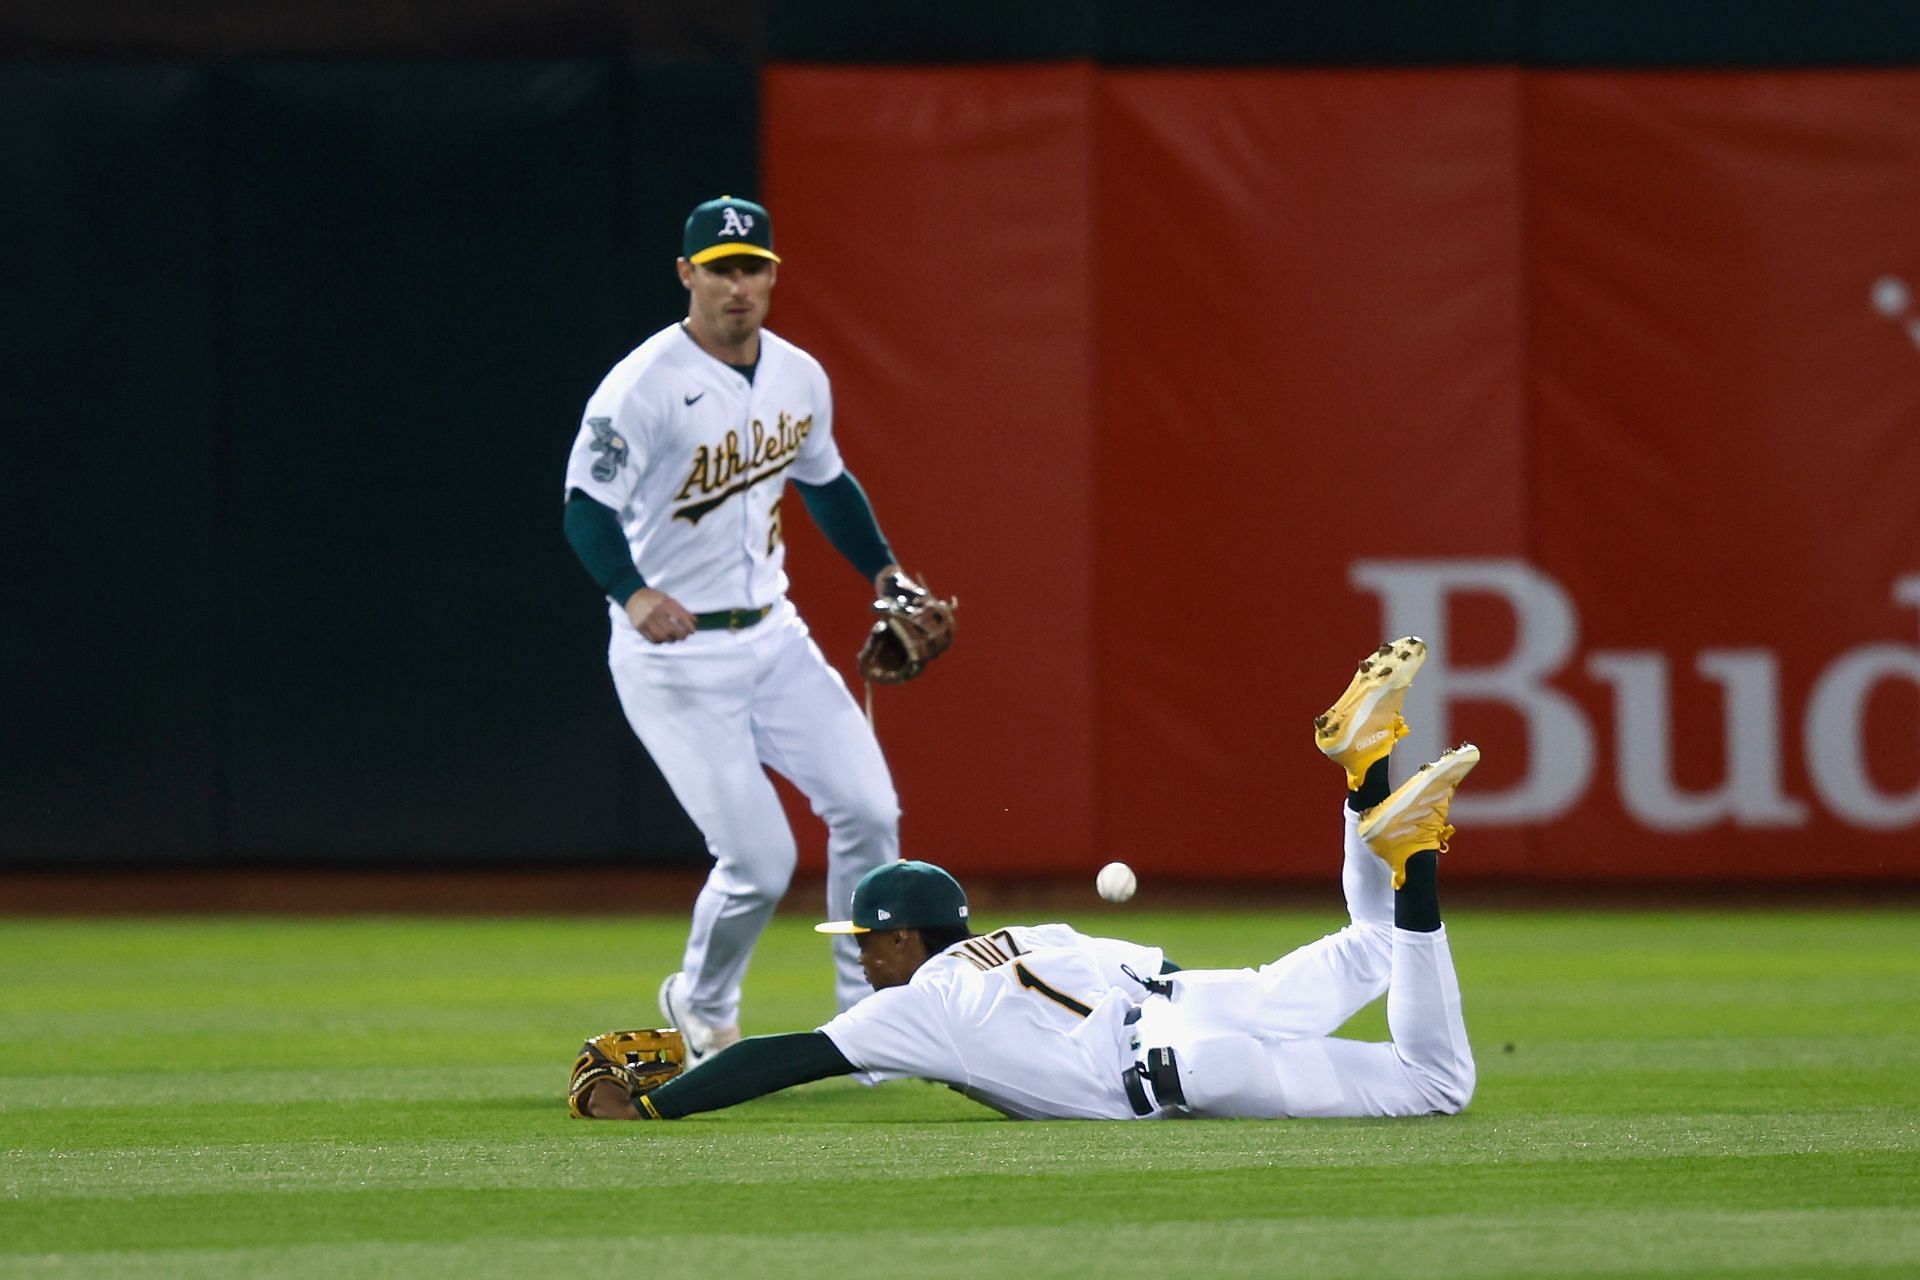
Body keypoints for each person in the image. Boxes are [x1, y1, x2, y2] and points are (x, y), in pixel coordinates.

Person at [572, 636, 1480, 1121]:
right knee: (1373, 942)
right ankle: (1368, 777)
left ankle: (1417, 859)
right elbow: (1153, 963)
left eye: (865, 941)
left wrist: (660, 1105)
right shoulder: (1043, 935)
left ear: (898, 940)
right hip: (1214, 995)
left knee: (1434, 1088)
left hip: (1188, 1067)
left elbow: (786, 1057)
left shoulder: (916, 1005)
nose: (865, 959)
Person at [561, 195, 943, 1061]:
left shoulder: (799, 375)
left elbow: (827, 483)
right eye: (722, 268)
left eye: (754, 267)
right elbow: (586, 508)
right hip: (675, 660)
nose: (739, 285)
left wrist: (882, 569)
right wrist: (630, 590)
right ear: (687, 274)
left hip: (774, 639)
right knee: (761, 864)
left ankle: (868, 1020)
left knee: (869, 811)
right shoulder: (641, 387)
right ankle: (697, 997)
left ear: (773, 275)